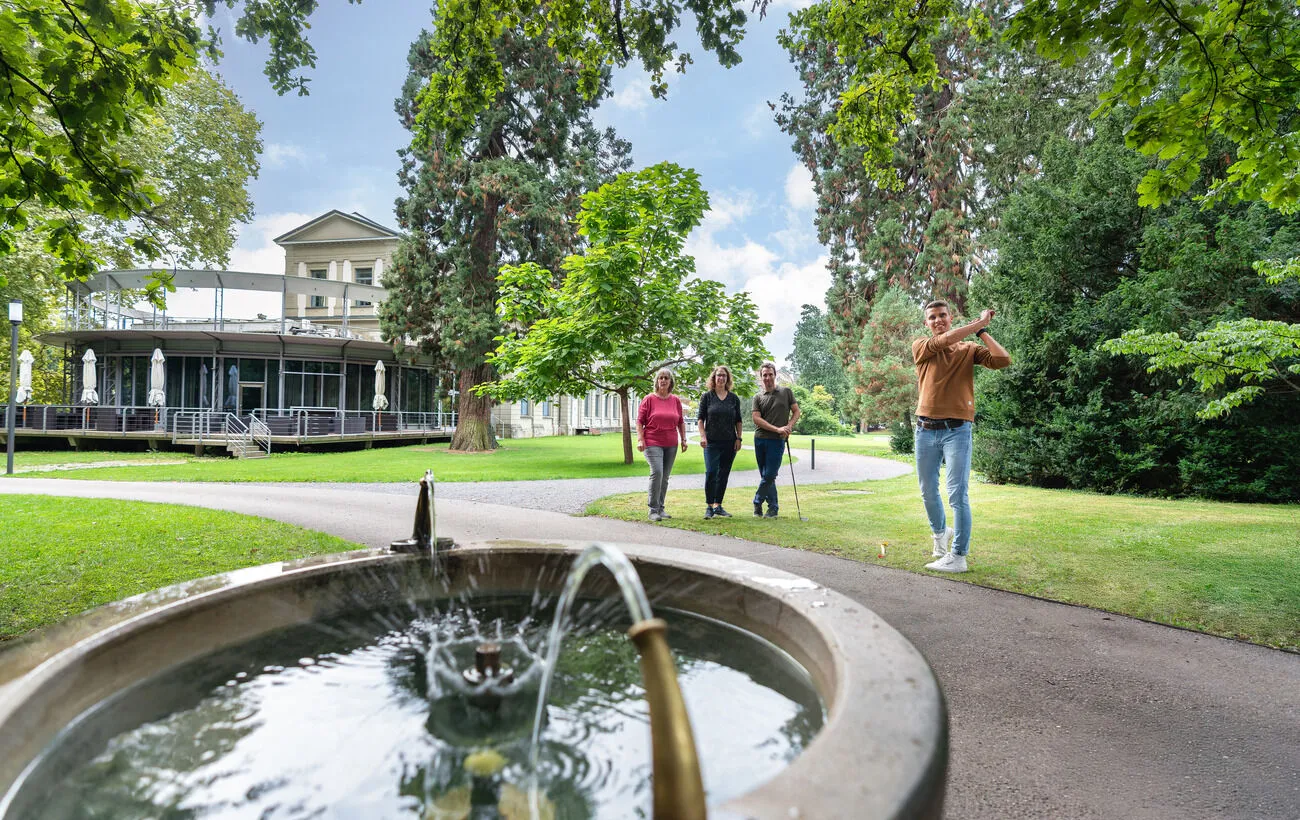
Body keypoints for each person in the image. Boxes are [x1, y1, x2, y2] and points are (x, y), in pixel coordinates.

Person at [912, 301, 1012, 573]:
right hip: (925, 430)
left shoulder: (968, 350)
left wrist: (982, 333)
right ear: (927, 323)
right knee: (928, 490)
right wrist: (978, 323)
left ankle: (958, 556)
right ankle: (941, 533)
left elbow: (1003, 360)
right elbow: (943, 341)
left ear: (950, 317)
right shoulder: (922, 346)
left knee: (958, 493)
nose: (937, 320)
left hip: (957, 431)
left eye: (942, 315)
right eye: (932, 317)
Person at [636, 368, 688, 522]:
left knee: (664, 477)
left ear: (670, 382)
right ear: (657, 381)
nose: (663, 380)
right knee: (657, 472)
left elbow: (680, 421)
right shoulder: (649, 399)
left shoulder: (675, 400)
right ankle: (652, 510)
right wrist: (640, 439)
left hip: (671, 443)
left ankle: (661, 508)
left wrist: (684, 439)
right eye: (661, 378)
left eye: (666, 378)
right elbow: (639, 421)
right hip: (652, 441)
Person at [751, 361, 799, 518]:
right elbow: (756, 419)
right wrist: (777, 428)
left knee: (770, 474)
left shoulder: (786, 392)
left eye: (770, 374)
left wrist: (789, 426)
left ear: (775, 375)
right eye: (764, 375)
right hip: (760, 439)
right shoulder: (758, 397)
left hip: (777, 440)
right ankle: (773, 508)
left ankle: (757, 501)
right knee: (765, 475)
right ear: (761, 377)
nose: (767, 378)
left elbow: (796, 412)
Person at [697, 365, 744, 519]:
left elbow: (738, 420)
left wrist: (739, 438)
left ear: (727, 378)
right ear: (714, 378)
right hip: (711, 442)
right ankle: (709, 506)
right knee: (711, 472)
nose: (721, 378)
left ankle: (718, 505)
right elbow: (700, 419)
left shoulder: (733, 398)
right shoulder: (707, 397)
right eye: (718, 375)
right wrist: (703, 436)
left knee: (723, 474)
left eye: (724, 375)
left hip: (729, 443)